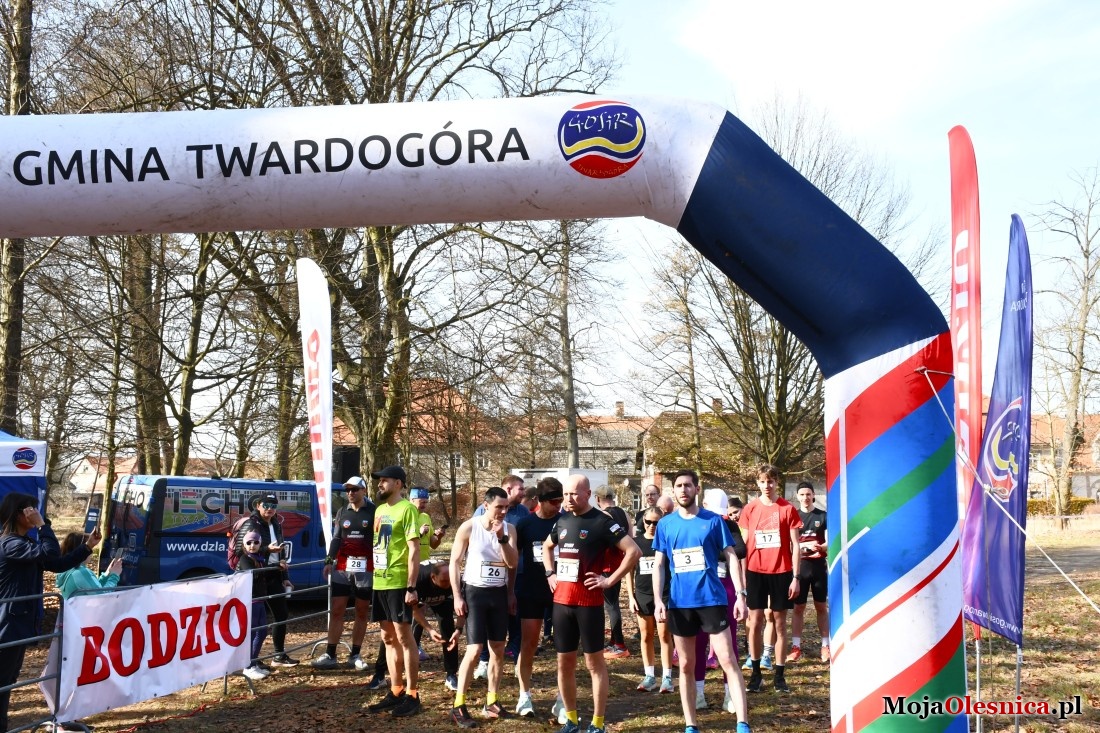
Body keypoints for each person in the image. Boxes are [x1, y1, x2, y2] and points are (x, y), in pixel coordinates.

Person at [652, 470, 751, 733]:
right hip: (680, 603)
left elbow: (731, 556)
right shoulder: (665, 524)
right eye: (678, 486)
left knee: (727, 659)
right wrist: (659, 600)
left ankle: (742, 723)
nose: (683, 490)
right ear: (673, 491)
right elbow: (659, 564)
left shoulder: (714, 521)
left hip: (712, 600)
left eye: (688, 485)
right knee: (686, 664)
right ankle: (691, 725)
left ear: (697, 489)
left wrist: (740, 595)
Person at [543, 475, 640, 733]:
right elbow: (547, 546)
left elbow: (634, 551)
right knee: (564, 664)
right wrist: (550, 573)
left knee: (594, 664)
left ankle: (598, 723)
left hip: (588, 604)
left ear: (588, 494)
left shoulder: (602, 521)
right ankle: (571, 720)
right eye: (565, 494)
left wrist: (609, 580)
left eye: (574, 494)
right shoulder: (562, 520)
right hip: (561, 603)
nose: (568, 499)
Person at [0, 494, 98, 732]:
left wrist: (87, 547)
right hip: (7, 625)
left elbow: (56, 564)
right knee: (2, 682)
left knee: (8, 681)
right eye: (30, 509)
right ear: (18, 513)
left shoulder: (24, 544)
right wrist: (43, 526)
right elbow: (50, 555)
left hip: (17, 624)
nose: (36, 512)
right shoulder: (10, 544)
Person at [448, 486, 519, 728]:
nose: (503, 511)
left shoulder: (509, 529)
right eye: (499, 507)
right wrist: (457, 596)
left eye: (506, 507)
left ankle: (492, 700)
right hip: (475, 593)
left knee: (498, 648)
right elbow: (455, 562)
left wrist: (502, 538)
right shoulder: (469, 527)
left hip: (498, 593)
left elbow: (512, 563)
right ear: (486, 505)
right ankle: (458, 704)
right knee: (475, 650)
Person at [365, 465, 423, 718]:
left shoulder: (407, 509)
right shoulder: (379, 510)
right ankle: (396, 689)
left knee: (404, 638)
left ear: (398, 483)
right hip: (380, 582)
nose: (380, 484)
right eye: (379, 481)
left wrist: (411, 587)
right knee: (388, 639)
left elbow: (414, 550)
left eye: (384, 480)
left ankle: (413, 694)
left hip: (399, 583)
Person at [740, 463, 802, 694]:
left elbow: (796, 546)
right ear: (758, 483)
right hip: (756, 572)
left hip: (781, 572)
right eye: (763, 481)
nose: (767, 485)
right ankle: (756, 674)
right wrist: (742, 578)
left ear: (777, 483)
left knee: (779, 624)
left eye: (771, 481)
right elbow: (744, 545)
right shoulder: (750, 509)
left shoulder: (787, 509)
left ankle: (779, 676)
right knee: (755, 622)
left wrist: (795, 577)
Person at [513, 477, 564, 717]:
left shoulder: (565, 522)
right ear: (540, 501)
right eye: (554, 501)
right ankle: (524, 696)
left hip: (561, 591)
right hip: (531, 590)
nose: (558, 505)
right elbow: (513, 560)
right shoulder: (525, 524)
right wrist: (510, 591)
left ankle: (563, 699)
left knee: (564, 648)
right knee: (529, 644)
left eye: (560, 500)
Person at [313, 476, 376, 670]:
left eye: (354, 489)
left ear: (364, 490)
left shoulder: (374, 511)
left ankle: (355, 654)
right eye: (347, 490)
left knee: (361, 610)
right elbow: (337, 538)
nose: (350, 493)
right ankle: (330, 654)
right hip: (343, 565)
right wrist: (329, 560)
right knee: (337, 609)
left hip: (366, 565)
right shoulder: (342, 511)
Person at [692, 489, 747, 713]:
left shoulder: (729, 525)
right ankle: (698, 693)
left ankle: (729, 694)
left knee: (728, 643)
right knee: (698, 642)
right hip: (699, 587)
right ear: (703, 504)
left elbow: (740, 550)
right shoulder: (694, 523)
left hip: (725, 587)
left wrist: (711, 551)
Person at [471, 474, 528, 677]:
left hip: (516, 574)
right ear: (508, 489)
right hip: (486, 580)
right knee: (488, 624)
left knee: (515, 618)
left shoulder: (523, 512)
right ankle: (484, 661)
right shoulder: (482, 511)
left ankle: (517, 660)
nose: (523, 492)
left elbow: (521, 545)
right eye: (520, 488)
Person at [233, 492, 298, 667]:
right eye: (266, 505)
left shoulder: (276, 523)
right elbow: (241, 551)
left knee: (281, 614)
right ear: (258, 506)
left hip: (274, 574)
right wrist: (266, 549)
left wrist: (284, 576)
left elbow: (281, 552)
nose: (270, 509)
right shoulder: (251, 524)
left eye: (273, 506)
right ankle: (251, 660)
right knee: (255, 623)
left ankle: (279, 655)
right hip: (257, 578)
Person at [624, 506, 674, 694]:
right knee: (646, 636)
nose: (652, 526)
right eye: (648, 522)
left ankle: (667, 677)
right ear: (643, 521)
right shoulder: (635, 543)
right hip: (642, 595)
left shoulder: (666, 542)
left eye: (656, 523)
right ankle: (649, 676)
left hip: (664, 594)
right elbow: (629, 571)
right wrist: (631, 597)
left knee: (664, 635)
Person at [789, 481, 829, 664]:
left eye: (808, 494)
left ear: (813, 495)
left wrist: (822, 547)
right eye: (802, 494)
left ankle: (825, 646)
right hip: (801, 567)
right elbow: (790, 544)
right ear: (797, 496)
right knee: (798, 608)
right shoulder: (794, 516)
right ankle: (796, 647)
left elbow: (829, 541)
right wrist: (802, 548)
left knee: (821, 606)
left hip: (819, 566)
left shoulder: (823, 515)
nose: (805, 497)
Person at [410, 561, 463, 692]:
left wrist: (459, 629)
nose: (448, 584)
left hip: (443, 601)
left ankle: (451, 674)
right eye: (444, 581)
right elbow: (415, 611)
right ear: (433, 577)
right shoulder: (419, 579)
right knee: (413, 631)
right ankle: (409, 670)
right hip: (423, 595)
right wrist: (430, 629)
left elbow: (462, 609)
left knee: (448, 629)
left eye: (450, 581)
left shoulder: (455, 581)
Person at [237, 530, 282, 680]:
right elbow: (254, 574)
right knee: (252, 633)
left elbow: (265, 574)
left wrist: (277, 566)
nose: (252, 545)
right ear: (244, 545)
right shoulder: (244, 558)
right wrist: (272, 567)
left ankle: (253, 662)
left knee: (262, 632)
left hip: (260, 599)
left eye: (256, 542)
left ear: (260, 543)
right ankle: (248, 667)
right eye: (249, 542)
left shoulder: (260, 558)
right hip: (250, 600)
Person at [594, 485, 632, 659]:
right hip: (620, 562)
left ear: (597, 499)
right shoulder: (624, 514)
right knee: (612, 603)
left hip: (607, 565)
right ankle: (614, 640)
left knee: (611, 605)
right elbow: (630, 538)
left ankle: (619, 644)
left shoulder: (602, 515)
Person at [410, 486, 444, 662]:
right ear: (412, 500)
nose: (424, 505)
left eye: (425, 502)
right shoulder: (407, 515)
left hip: (424, 568)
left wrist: (438, 536)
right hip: (408, 567)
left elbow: (433, 544)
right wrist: (418, 532)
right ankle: (409, 645)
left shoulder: (425, 517)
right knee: (412, 608)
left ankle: (415, 644)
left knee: (421, 608)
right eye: (421, 502)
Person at [55, 532, 122, 599]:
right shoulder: (80, 572)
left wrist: (106, 574)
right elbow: (101, 597)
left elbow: (94, 588)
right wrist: (114, 576)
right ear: (80, 549)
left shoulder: (68, 569)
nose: (91, 552)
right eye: (89, 548)